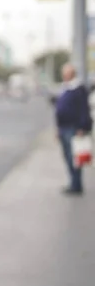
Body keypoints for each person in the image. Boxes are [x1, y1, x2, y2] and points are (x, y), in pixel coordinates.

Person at [55, 63, 93, 195]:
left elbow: (84, 109)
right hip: (64, 127)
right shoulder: (65, 88)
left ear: (71, 74)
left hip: (74, 128)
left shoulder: (78, 89)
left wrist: (82, 127)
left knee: (74, 158)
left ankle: (76, 185)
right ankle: (73, 182)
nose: (64, 75)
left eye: (66, 73)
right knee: (67, 157)